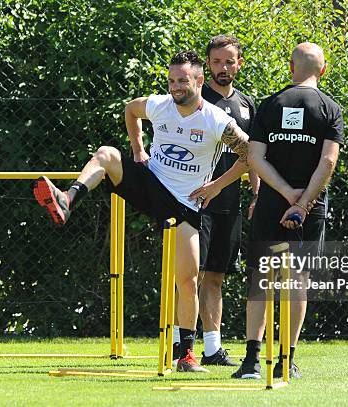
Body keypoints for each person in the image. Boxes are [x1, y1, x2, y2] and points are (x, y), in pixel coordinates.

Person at [32, 50, 251, 373]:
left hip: (186, 203)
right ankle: (67, 199)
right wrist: (138, 148)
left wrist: (217, 185)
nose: (176, 87)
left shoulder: (217, 121)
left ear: (199, 81)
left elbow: (250, 154)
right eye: (172, 81)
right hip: (151, 182)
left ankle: (186, 355)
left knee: (188, 281)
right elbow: (131, 110)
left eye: (183, 81)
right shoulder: (160, 104)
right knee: (107, 154)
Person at [232, 42, 344, 379]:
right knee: (298, 281)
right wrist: (303, 202)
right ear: (323, 70)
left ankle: (251, 360)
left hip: (270, 203)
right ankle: (286, 360)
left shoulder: (271, 104)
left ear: (291, 68)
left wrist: (283, 194)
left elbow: (255, 157)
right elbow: (328, 161)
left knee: (261, 278)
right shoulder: (330, 109)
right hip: (310, 205)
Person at [172, 35, 259, 367]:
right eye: (217, 62)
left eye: (229, 61)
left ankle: (212, 348)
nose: (223, 68)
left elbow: (253, 155)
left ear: (239, 64)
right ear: (207, 65)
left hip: (229, 203)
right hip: (194, 201)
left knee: (216, 276)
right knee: (189, 275)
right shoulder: (195, 98)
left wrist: (256, 193)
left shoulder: (248, 105)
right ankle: (182, 347)